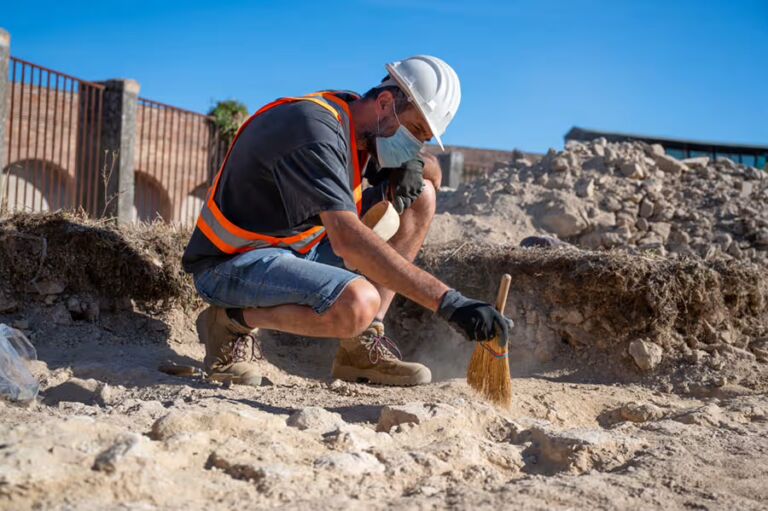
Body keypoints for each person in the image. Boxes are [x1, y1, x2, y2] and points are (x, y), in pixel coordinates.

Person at [182, 55, 510, 387]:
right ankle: (229, 321)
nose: (413, 143)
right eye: (414, 131)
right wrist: (449, 302)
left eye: (423, 138)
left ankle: (361, 348)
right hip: (230, 266)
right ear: (384, 103)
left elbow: (435, 175)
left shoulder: (362, 126)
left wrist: (415, 162)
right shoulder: (313, 128)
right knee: (358, 303)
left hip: (294, 251)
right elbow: (348, 242)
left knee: (421, 195)